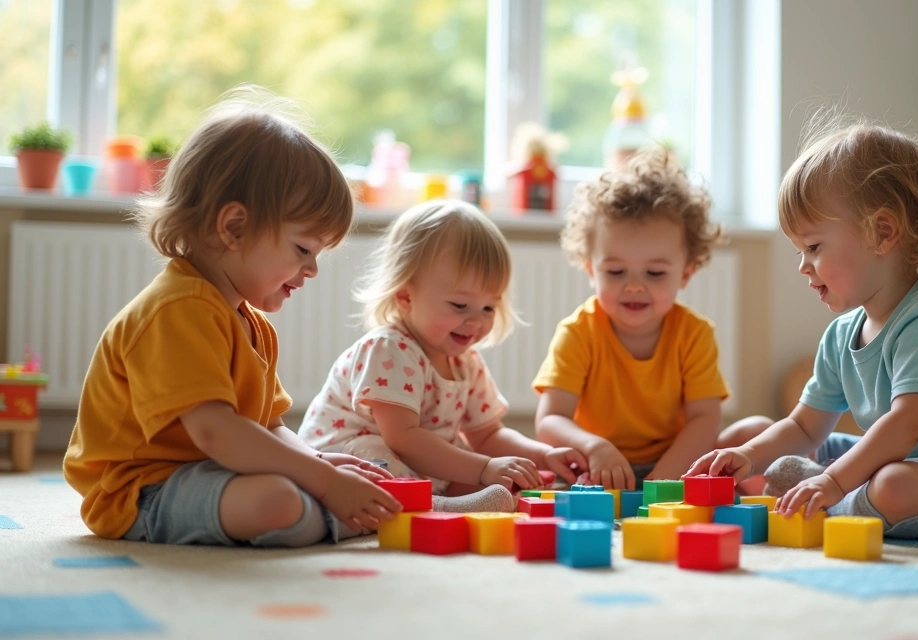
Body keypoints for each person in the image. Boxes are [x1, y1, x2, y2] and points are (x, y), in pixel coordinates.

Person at [64, 86, 401, 547]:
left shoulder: (249, 322)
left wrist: (319, 466)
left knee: (312, 482)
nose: (313, 268)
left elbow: (270, 427)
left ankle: (347, 509)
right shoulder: (178, 308)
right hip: (142, 491)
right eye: (303, 249)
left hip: (207, 473)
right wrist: (323, 482)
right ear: (234, 227)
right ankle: (346, 514)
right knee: (280, 502)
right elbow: (217, 432)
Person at [688, 117, 918, 538]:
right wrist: (747, 454)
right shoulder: (841, 334)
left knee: (892, 486)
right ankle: (832, 490)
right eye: (799, 250)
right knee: (762, 442)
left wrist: (833, 482)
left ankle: (835, 500)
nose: (802, 266)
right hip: (903, 459)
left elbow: (909, 425)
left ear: (883, 232)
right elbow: (804, 426)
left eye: (813, 247)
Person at [300, 200, 587, 512]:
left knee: (496, 475)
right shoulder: (390, 349)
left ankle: (443, 500)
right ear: (406, 296)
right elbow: (404, 439)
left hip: (416, 466)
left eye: (488, 307)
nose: (476, 321)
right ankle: (435, 506)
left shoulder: (467, 362)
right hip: (343, 463)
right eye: (460, 306)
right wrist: (483, 467)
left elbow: (488, 434)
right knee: (376, 452)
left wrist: (543, 455)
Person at [533, 146, 761, 491]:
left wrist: (666, 478)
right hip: (597, 466)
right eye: (616, 271)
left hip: (677, 460)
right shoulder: (578, 332)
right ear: (590, 270)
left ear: (685, 274)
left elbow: (705, 418)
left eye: (654, 273)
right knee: (533, 466)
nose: (634, 287)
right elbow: (551, 419)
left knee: (756, 432)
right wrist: (595, 448)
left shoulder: (694, 333)